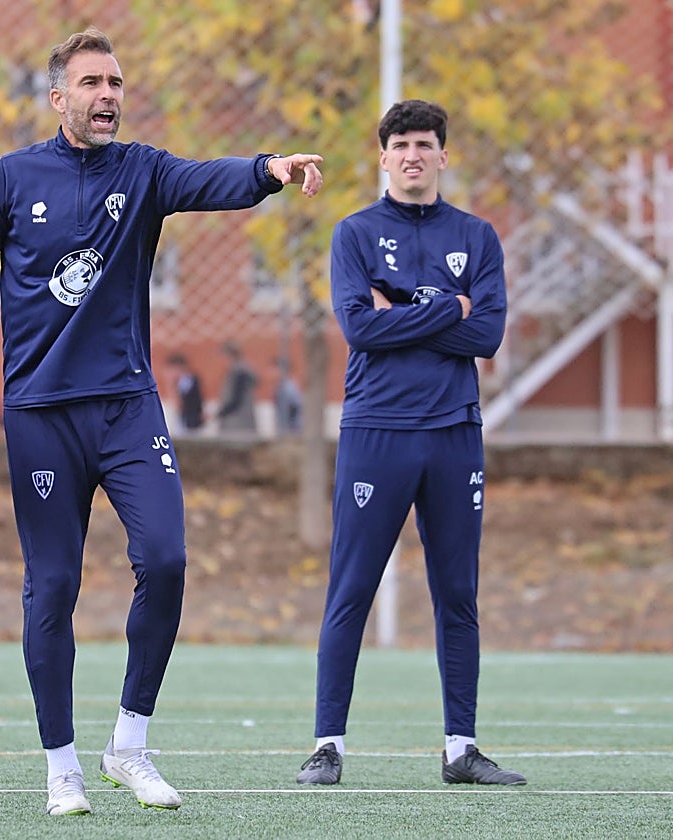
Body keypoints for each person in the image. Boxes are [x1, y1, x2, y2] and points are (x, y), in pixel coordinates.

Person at [0, 26, 322, 815]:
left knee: (167, 559)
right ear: (58, 97)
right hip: (41, 414)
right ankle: (62, 766)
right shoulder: (13, 178)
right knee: (54, 588)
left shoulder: (142, 171)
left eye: (114, 81)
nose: (107, 94)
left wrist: (269, 170)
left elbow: (208, 180)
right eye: (91, 83)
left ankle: (130, 746)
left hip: (127, 408)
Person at [295, 99, 523, 787]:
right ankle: (327, 745)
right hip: (376, 432)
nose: (413, 155)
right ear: (383, 156)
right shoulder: (355, 234)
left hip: (454, 432)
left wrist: (408, 308)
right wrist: (447, 307)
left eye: (425, 144)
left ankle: (461, 748)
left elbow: (486, 337)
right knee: (351, 589)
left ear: (443, 156)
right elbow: (361, 329)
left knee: (457, 593)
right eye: (400, 145)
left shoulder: (476, 237)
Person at [215, 340, 258, 435]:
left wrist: (219, 413)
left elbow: (235, 399)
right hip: (240, 423)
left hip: (237, 425)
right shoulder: (237, 372)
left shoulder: (239, 372)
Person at [167, 352, 204, 434]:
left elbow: (179, 404)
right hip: (183, 420)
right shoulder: (181, 381)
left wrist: (171, 385)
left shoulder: (187, 380)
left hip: (191, 420)